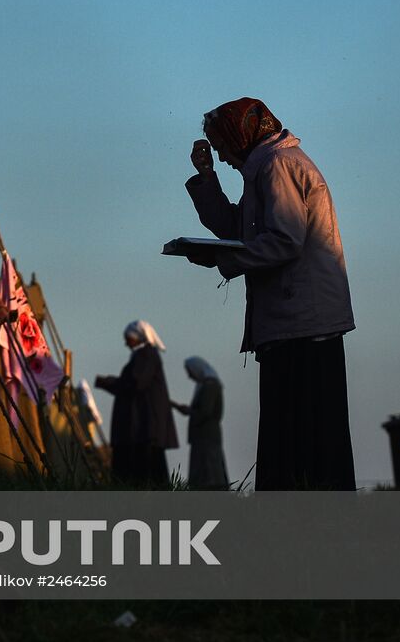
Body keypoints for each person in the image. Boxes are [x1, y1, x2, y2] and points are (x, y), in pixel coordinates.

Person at [183, 97, 356, 490]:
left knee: (303, 445)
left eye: (223, 147)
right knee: (298, 442)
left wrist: (223, 262)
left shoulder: (278, 166)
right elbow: (238, 231)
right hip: (294, 326)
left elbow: (283, 241)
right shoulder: (264, 168)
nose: (224, 157)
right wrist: (207, 178)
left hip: (304, 328)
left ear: (238, 135)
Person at [95, 321, 178, 487]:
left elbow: (136, 383)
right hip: (142, 427)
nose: (126, 343)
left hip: (144, 427)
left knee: (146, 470)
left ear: (139, 337)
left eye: (128, 338)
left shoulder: (146, 355)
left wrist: (109, 382)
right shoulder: (144, 356)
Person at [173, 357, 230, 490]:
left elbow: (205, 412)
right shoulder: (206, 385)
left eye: (190, 372)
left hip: (206, 436)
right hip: (203, 436)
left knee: (209, 471)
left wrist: (189, 411)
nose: (189, 375)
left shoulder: (210, 386)